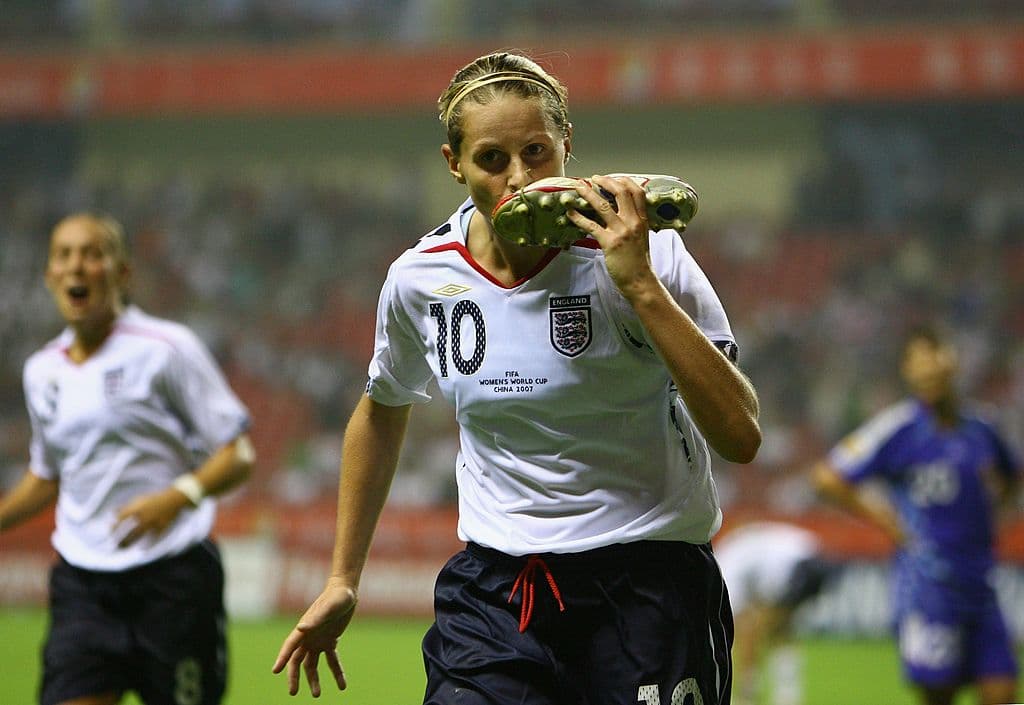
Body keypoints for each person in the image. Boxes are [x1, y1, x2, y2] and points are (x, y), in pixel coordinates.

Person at [273, 50, 761, 705]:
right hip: (499, 591)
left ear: (567, 145)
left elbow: (740, 434)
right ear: (454, 164)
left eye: (536, 151)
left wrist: (640, 284)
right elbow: (382, 407)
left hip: (650, 579)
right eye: (492, 159)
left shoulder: (648, 249)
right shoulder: (421, 279)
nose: (520, 177)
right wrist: (342, 576)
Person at [0, 213, 255, 705]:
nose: (78, 266)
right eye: (64, 255)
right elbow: (47, 476)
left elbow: (237, 454)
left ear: (122, 273)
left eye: (93, 254)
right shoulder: (41, 372)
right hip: (83, 586)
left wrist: (177, 497)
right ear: (50, 275)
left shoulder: (167, 349)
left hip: (171, 580)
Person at [812, 324, 1020, 705]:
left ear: (952, 364)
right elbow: (828, 478)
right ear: (909, 374)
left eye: (935, 361)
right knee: (940, 696)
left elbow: (1012, 473)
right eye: (919, 366)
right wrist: (888, 521)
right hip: (929, 588)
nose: (930, 373)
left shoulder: (981, 429)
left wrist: (995, 509)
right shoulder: (900, 428)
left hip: (981, 587)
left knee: (1002, 692)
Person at [714, 520, 837, 705]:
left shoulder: (725, 566)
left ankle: (747, 694)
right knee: (780, 631)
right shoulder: (734, 550)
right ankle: (787, 694)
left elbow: (744, 623)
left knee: (752, 631)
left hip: (797, 567)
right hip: (814, 556)